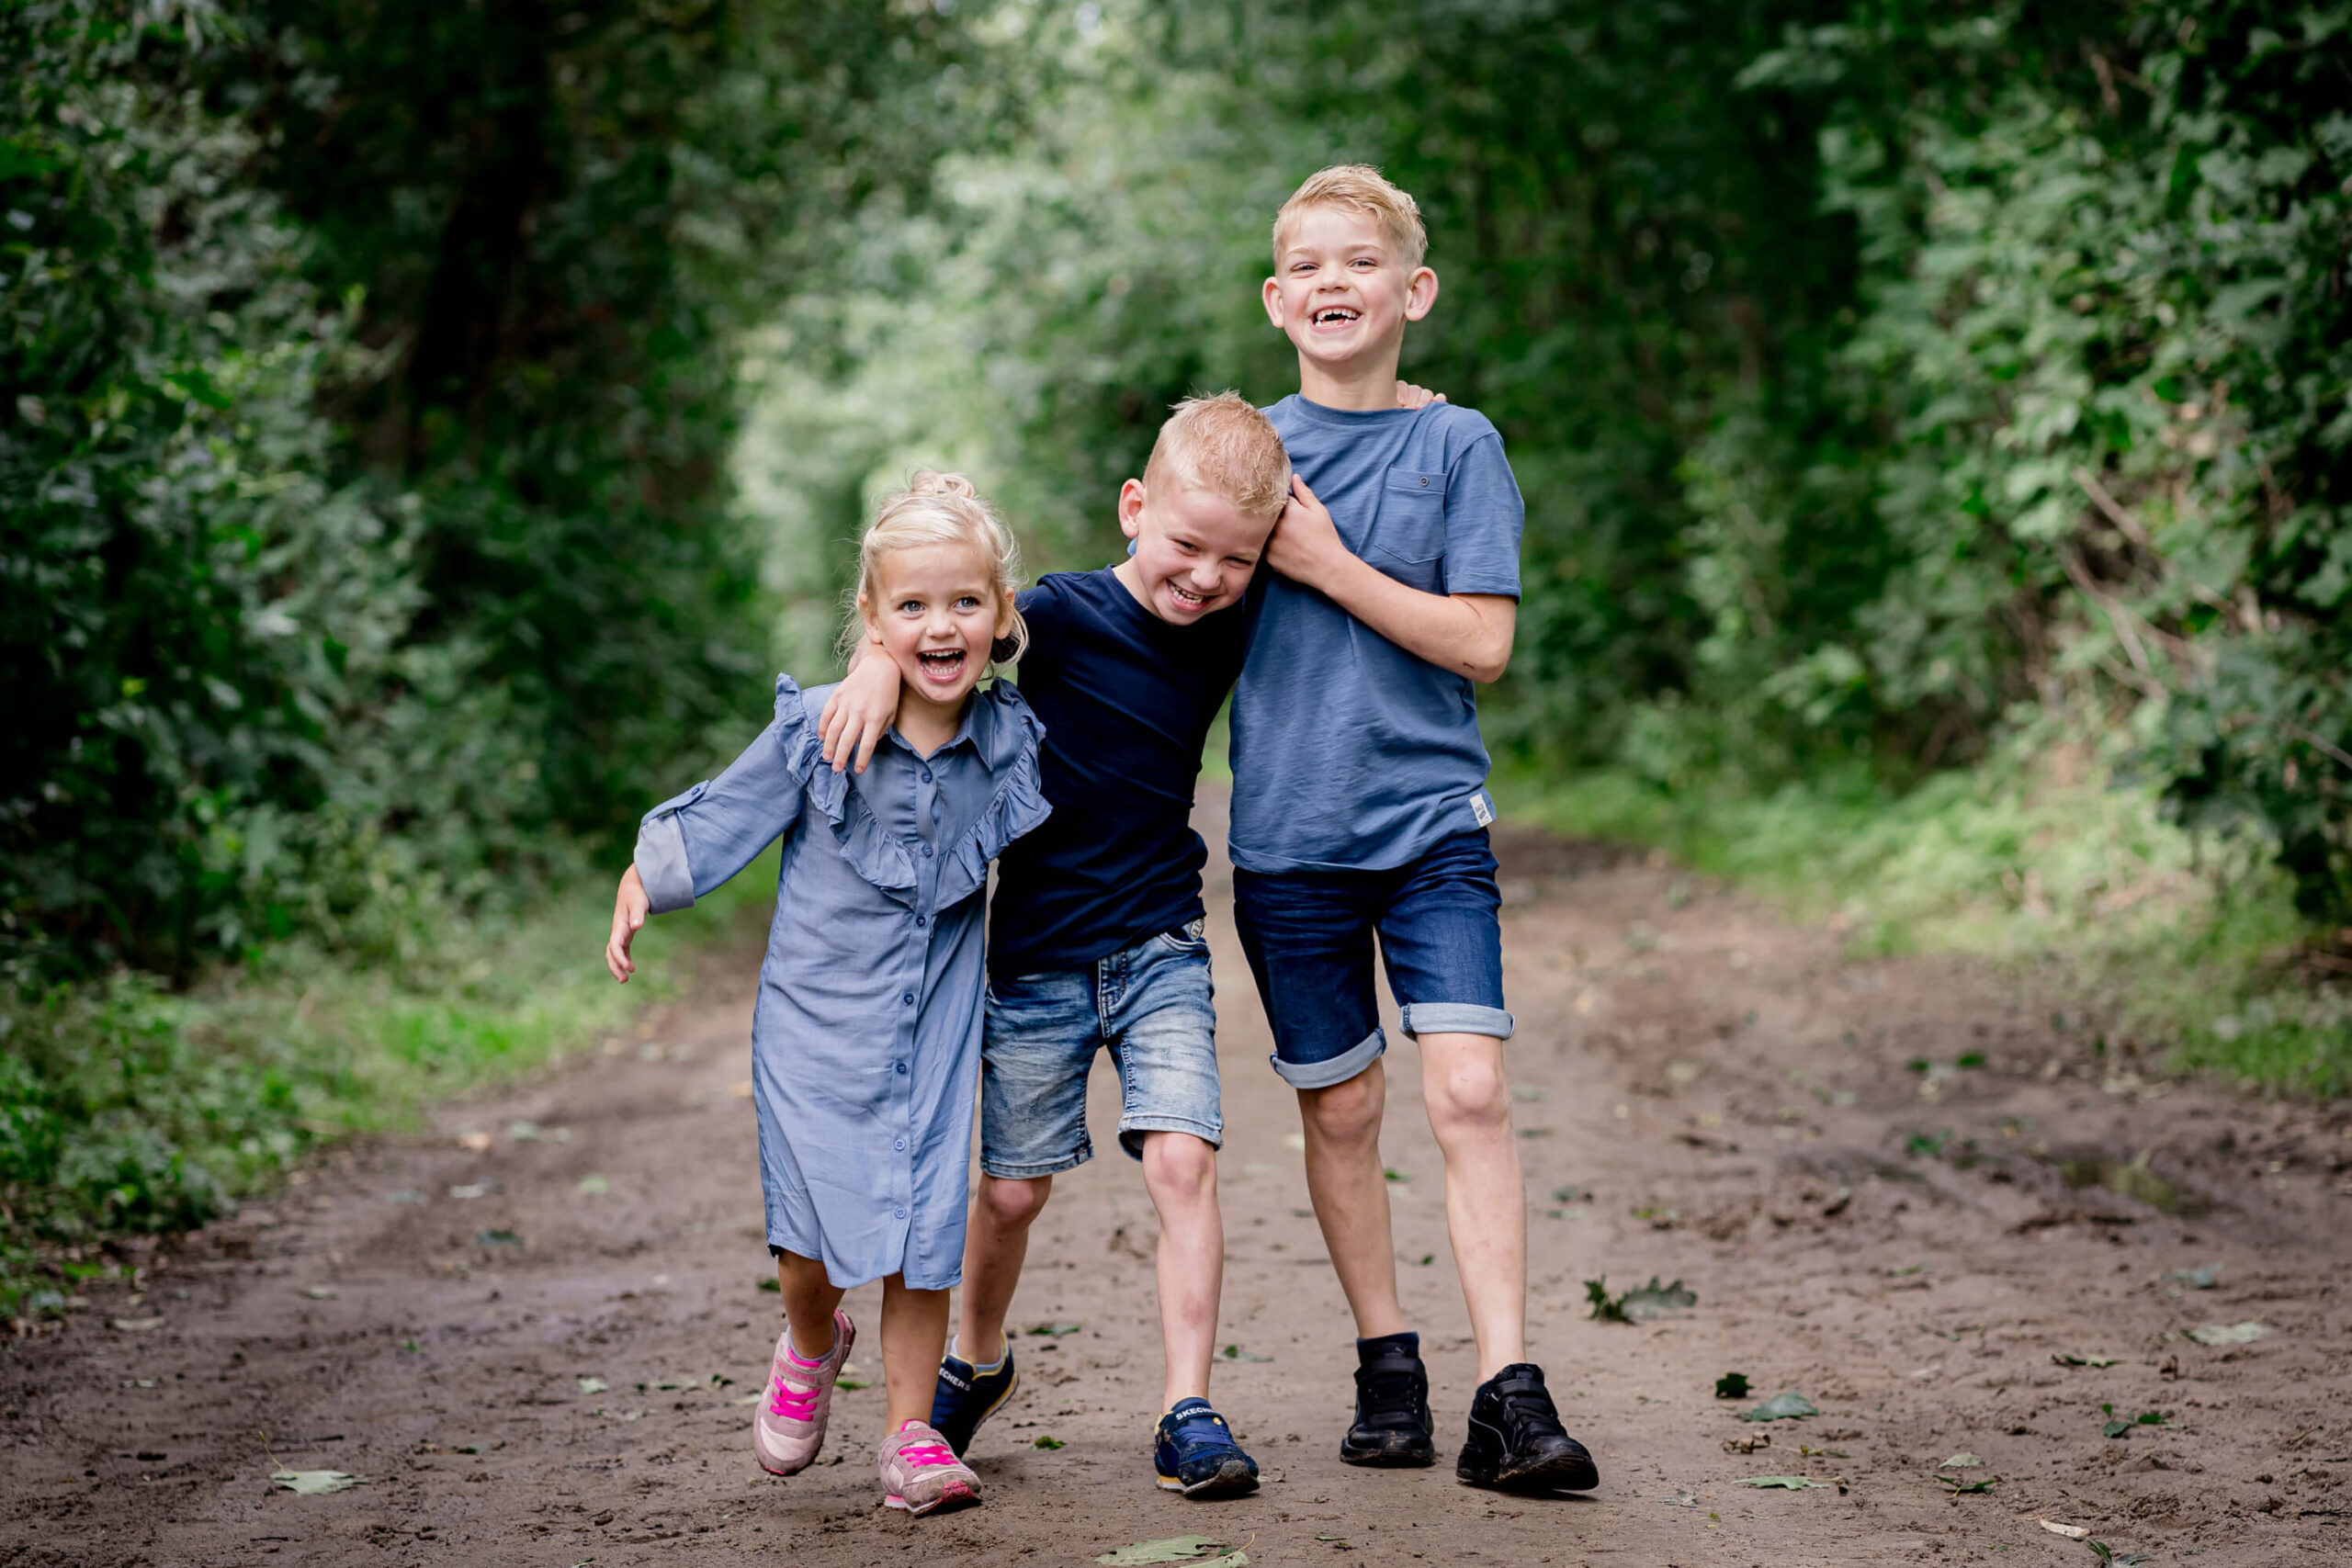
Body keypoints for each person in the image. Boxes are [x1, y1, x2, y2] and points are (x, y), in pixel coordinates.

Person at [817, 393, 1298, 1499]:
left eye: (1234, 557)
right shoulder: (1061, 615)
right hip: (1034, 951)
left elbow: (1312, 547)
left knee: (1183, 1159)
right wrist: (876, 667)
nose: (1203, 576)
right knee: (1011, 1196)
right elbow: (949, 628)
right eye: (1184, 544)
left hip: (1161, 942)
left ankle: (1189, 1406)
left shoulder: (1234, 615)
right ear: (1134, 509)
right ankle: (976, 1360)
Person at [1238, 164, 1600, 1493]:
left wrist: (1329, 563)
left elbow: (1484, 643)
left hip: (1431, 824)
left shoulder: (1461, 447)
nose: (1336, 282)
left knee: (1469, 1088)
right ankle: (1389, 1363)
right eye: (1310, 267)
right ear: (1279, 301)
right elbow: (1155, 593)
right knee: (1343, 1108)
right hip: (1286, 839)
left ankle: (1511, 1388)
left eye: (1362, 261)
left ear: (1413, 291)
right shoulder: (1242, 453)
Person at [602, 471, 1049, 1518]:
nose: (940, 626)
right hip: (812, 1030)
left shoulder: (1010, 742)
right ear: (870, 617)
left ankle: (909, 1434)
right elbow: (731, 813)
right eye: (911, 607)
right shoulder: (819, 729)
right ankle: (812, 1337)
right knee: (807, 1250)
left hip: (931, 1031)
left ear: (1000, 615)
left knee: (924, 1232)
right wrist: (644, 878)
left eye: (965, 603)